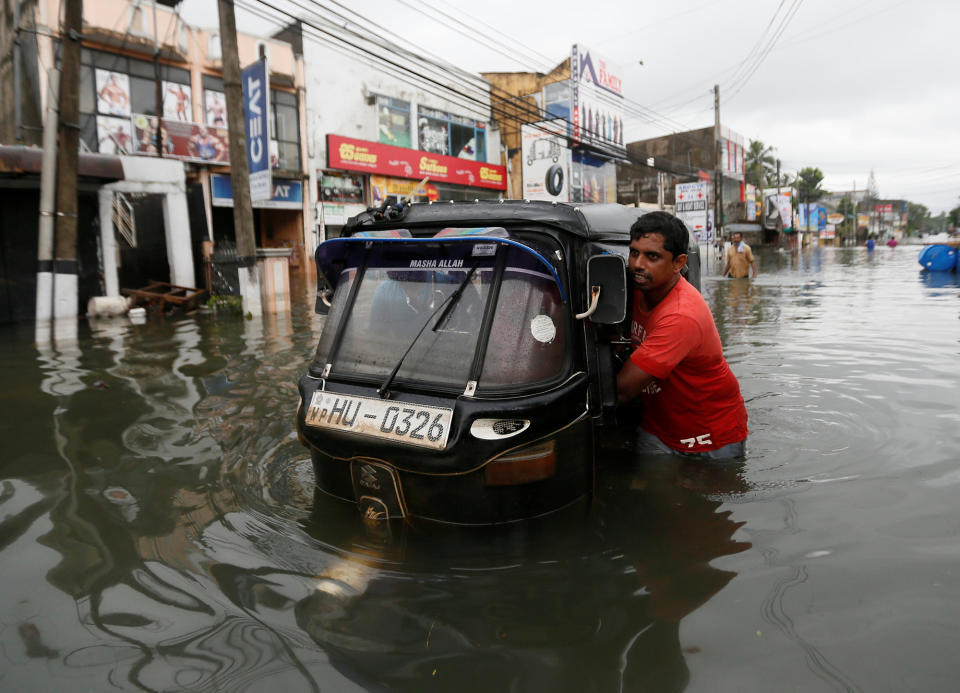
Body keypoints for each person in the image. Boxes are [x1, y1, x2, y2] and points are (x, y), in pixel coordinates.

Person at [616, 211, 748, 460]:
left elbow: (622, 391)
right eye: (634, 253)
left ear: (678, 263)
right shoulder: (636, 287)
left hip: (711, 435)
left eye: (652, 256)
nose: (637, 264)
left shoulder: (681, 315)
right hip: (659, 428)